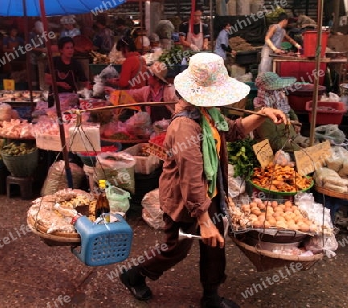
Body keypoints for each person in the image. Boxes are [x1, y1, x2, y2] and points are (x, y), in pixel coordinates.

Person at [119, 53, 287, 308]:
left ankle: (211, 297)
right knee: (176, 249)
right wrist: (203, 218)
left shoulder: (210, 115)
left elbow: (233, 130)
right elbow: (191, 178)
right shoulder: (186, 126)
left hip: (210, 193)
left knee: (214, 246)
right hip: (184, 198)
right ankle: (134, 275)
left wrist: (262, 114)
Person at [253, 72, 309, 152]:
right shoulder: (261, 113)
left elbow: (290, 110)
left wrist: (295, 120)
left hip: (292, 136)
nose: (279, 92)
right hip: (280, 147)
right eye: (275, 90)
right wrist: (298, 149)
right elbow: (273, 142)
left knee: (313, 144)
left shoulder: (280, 101)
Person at [44, 37, 89, 107]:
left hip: (71, 98)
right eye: (67, 48)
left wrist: (92, 85)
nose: (70, 50)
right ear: (61, 50)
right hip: (54, 98)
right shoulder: (53, 62)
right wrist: (59, 84)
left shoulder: (76, 64)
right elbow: (47, 80)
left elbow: (83, 81)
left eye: (71, 48)